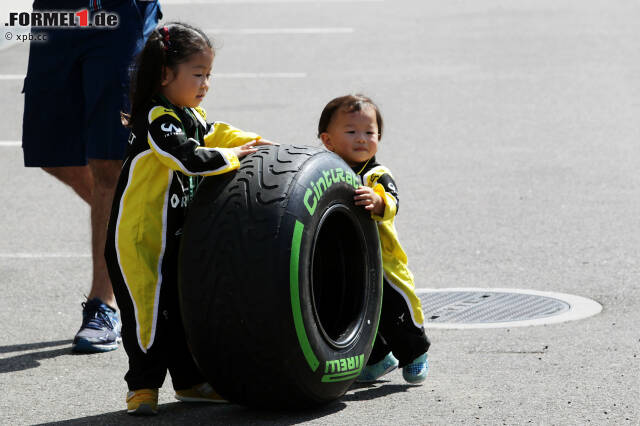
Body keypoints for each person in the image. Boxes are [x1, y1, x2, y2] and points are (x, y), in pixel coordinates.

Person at [104, 22, 272, 415]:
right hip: (139, 239)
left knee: (184, 308)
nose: (206, 84)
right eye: (198, 74)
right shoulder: (157, 117)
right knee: (147, 314)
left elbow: (212, 132)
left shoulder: (187, 113)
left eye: (209, 75)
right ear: (165, 74)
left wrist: (254, 142)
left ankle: (191, 381)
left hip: (175, 235)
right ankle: (142, 388)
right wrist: (234, 157)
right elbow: (186, 156)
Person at [21, 0, 161, 353]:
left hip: (119, 15)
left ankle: (104, 304)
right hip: (57, 15)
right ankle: (142, 224)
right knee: (50, 153)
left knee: (108, 163)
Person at [318, 94, 431, 384]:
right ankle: (377, 359)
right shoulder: (321, 172)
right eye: (351, 131)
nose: (362, 139)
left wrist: (379, 202)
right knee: (351, 312)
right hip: (345, 262)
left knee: (396, 310)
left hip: (382, 263)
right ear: (328, 140)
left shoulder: (375, 174)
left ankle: (415, 354)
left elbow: (393, 200)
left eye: (370, 132)